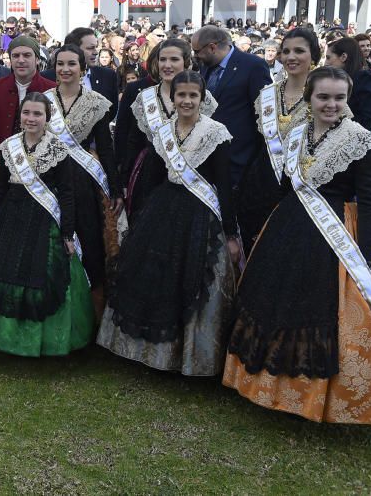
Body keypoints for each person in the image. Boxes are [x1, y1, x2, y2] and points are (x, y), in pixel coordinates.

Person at [224, 66, 371, 424]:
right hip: (287, 227)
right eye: (323, 97)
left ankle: (306, 398)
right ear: (309, 98)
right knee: (272, 302)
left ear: (348, 100)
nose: (331, 104)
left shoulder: (362, 142)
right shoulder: (296, 133)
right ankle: (262, 387)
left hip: (331, 235)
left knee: (316, 309)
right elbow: (284, 188)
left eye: (339, 98)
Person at [98, 71, 240, 375]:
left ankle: (188, 357)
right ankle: (145, 351)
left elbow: (225, 186)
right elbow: (155, 176)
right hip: (162, 209)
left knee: (192, 279)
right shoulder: (163, 131)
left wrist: (230, 233)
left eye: (193, 95)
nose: (187, 100)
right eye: (181, 95)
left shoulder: (216, 133)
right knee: (153, 274)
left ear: (203, 99)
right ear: (172, 97)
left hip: (200, 215)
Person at [0, 92, 94, 356]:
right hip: (10, 217)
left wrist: (68, 234)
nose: (31, 118)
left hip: (43, 220)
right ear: (20, 116)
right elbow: (1, 189)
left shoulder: (58, 149)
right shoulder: (9, 146)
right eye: (26, 113)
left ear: (47, 118)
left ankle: (32, 340)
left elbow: (67, 194)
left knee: (38, 274)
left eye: (37, 114)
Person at [236, 29, 326, 253]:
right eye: (285, 51)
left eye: (299, 51)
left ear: (313, 56)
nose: (291, 57)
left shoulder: (327, 95)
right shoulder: (267, 94)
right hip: (260, 185)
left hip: (302, 187)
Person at [48, 44, 122, 317]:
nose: (65, 69)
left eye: (71, 64)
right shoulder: (42, 99)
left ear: (83, 68)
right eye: (60, 64)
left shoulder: (97, 103)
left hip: (84, 181)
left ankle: (86, 311)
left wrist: (115, 188)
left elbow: (105, 148)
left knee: (88, 242)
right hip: (48, 179)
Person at [122, 39, 217, 219]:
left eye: (174, 60)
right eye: (162, 59)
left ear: (187, 63)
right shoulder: (145, 98)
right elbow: (133, 142)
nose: (167, 65)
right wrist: (124, 178)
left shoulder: (204, 98)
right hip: (149, 177)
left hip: (190, 177)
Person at [193, 24, 272, 185]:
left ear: (212, 47)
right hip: (208, 157)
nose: (195, 56)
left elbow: (264, 113)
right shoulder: (205, 67)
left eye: (197, 51)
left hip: (239, 158)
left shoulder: (253, 65)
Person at [0, 36, 55, 157]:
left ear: (37, 59)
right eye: (15, 56)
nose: (21, 60)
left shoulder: (51, 89)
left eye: (27, 55)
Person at [42, 27, 119, 119]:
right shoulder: (46, 78)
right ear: (74, 49)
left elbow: (111, 113)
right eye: (90, 48)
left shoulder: (108, 75)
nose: (95, 52)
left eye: (95, 47)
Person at [325, 36, 371, 130]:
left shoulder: (364, 78)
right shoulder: (339, 80)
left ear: (343, 57)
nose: (325, 63)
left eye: (328, 58)